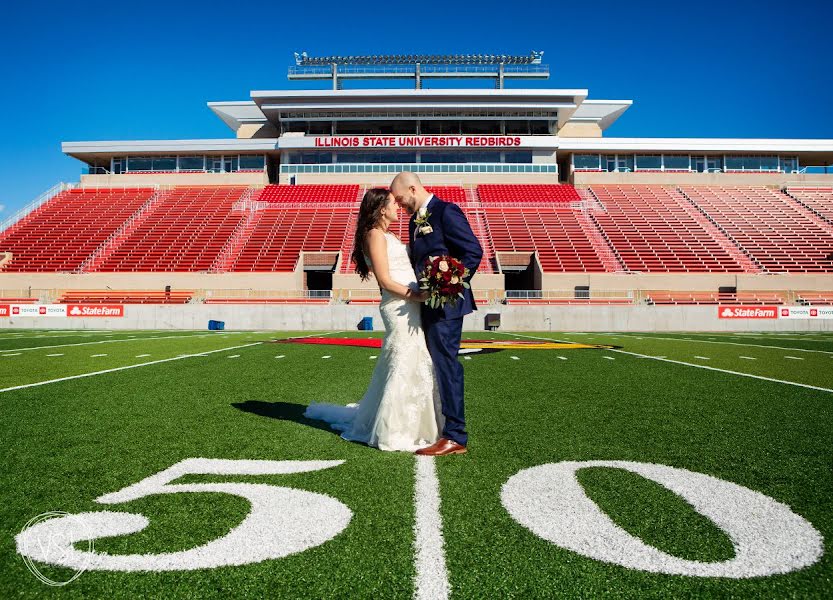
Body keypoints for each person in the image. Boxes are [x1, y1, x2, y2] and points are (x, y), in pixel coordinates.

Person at [304, 188, 443, 452]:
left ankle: (420, 424)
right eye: (393, 203)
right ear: (381, 209)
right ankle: (394, 427)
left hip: (411, 304)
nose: (398, 207)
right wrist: (418, 296)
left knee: (416, 358)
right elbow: (385, 280)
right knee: (403, 358)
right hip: (399, 305)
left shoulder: (389, 234)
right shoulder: (374, 235)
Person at [390, 172, 483, 456]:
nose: (399, 204)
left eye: (400, 198)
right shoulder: (413, 220)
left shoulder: (446, 212)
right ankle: (440, 426)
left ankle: (455, 435)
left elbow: (473, 252)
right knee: (434, 366)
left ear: (413, 188)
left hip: (447, 305)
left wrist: (448, 284)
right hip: (427, 305)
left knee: (447, 366)